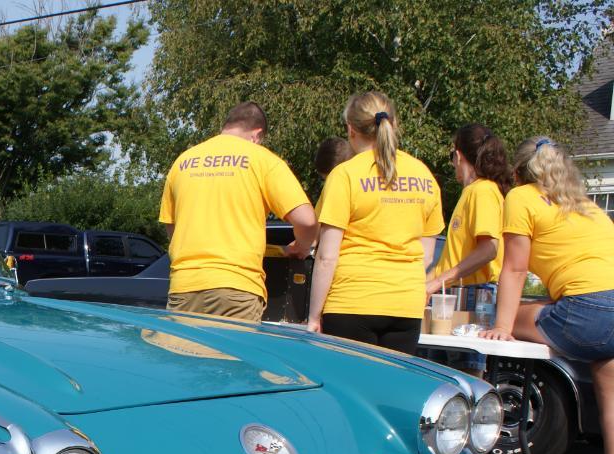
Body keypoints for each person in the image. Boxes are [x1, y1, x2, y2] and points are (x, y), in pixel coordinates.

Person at [480, 137, 614, 454]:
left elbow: (515, 267)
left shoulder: (521, 197)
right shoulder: (588, 206)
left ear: (519, 174)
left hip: (586, 311)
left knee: (509, 313)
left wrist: (502, 326)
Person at [307, 91, 444, 354]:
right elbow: (427, 254)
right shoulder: (423, 174)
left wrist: (314, 316)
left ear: (351, 129)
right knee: (393, 392)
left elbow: (326, 256)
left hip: (352, 302)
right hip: (405, 305)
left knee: (348, 392)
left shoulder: (345, 174)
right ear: (394, 124)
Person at [158, 101, 318, 322]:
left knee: (183, 355)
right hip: (237, 287)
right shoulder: (262, 159)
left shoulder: (183, 162)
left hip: (184, 285)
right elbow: (307, 220)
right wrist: (299, 247)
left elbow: (171, 227)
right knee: (228, 357)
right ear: (257, 134)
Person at [427, 124, 512, 294]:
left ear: (458, 156)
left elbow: (488, 249)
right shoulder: (474, 192)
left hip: (473, 295)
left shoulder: (482, 191)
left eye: (452, 156)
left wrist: (437, 282)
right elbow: (453, 259)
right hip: (462, 292)